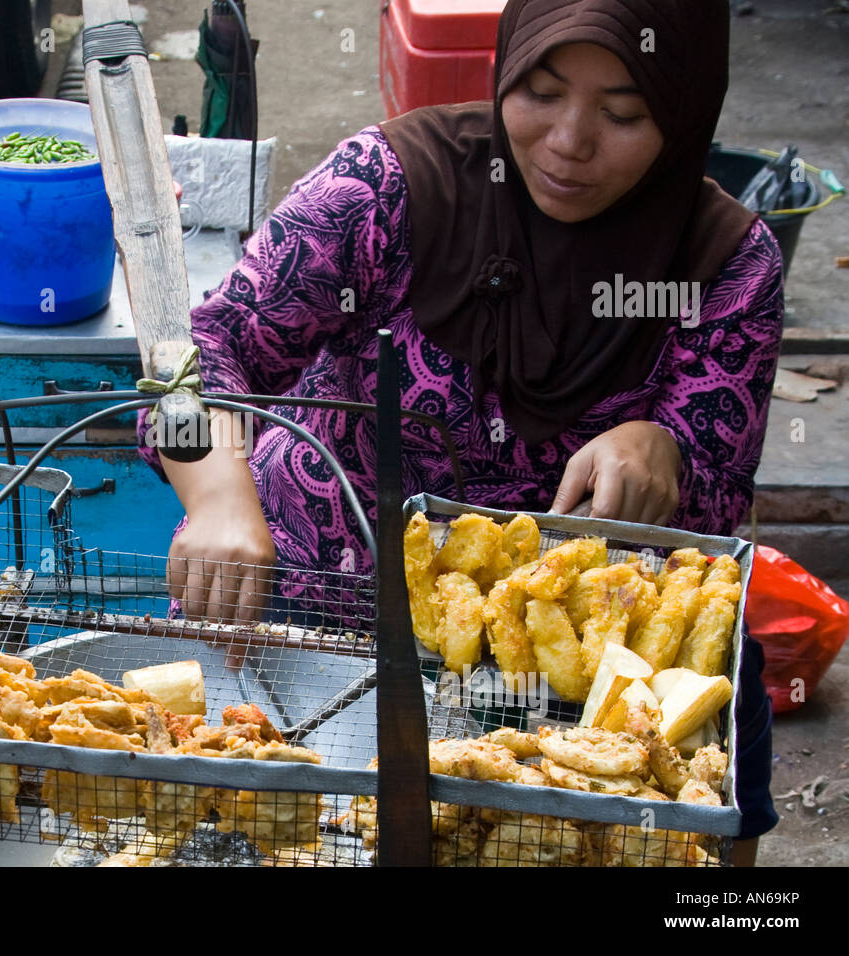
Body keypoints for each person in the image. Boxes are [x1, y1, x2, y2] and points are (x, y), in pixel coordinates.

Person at [139, 0, 781, 860]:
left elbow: (713, 517)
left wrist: (665, 448)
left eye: (625, 113)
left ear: (687, 107)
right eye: (541, 92)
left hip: (562, 681)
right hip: (308, 603)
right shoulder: (391, 187)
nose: (568, 141)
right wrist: (218, 493)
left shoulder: (723, 265)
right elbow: (192, 351)